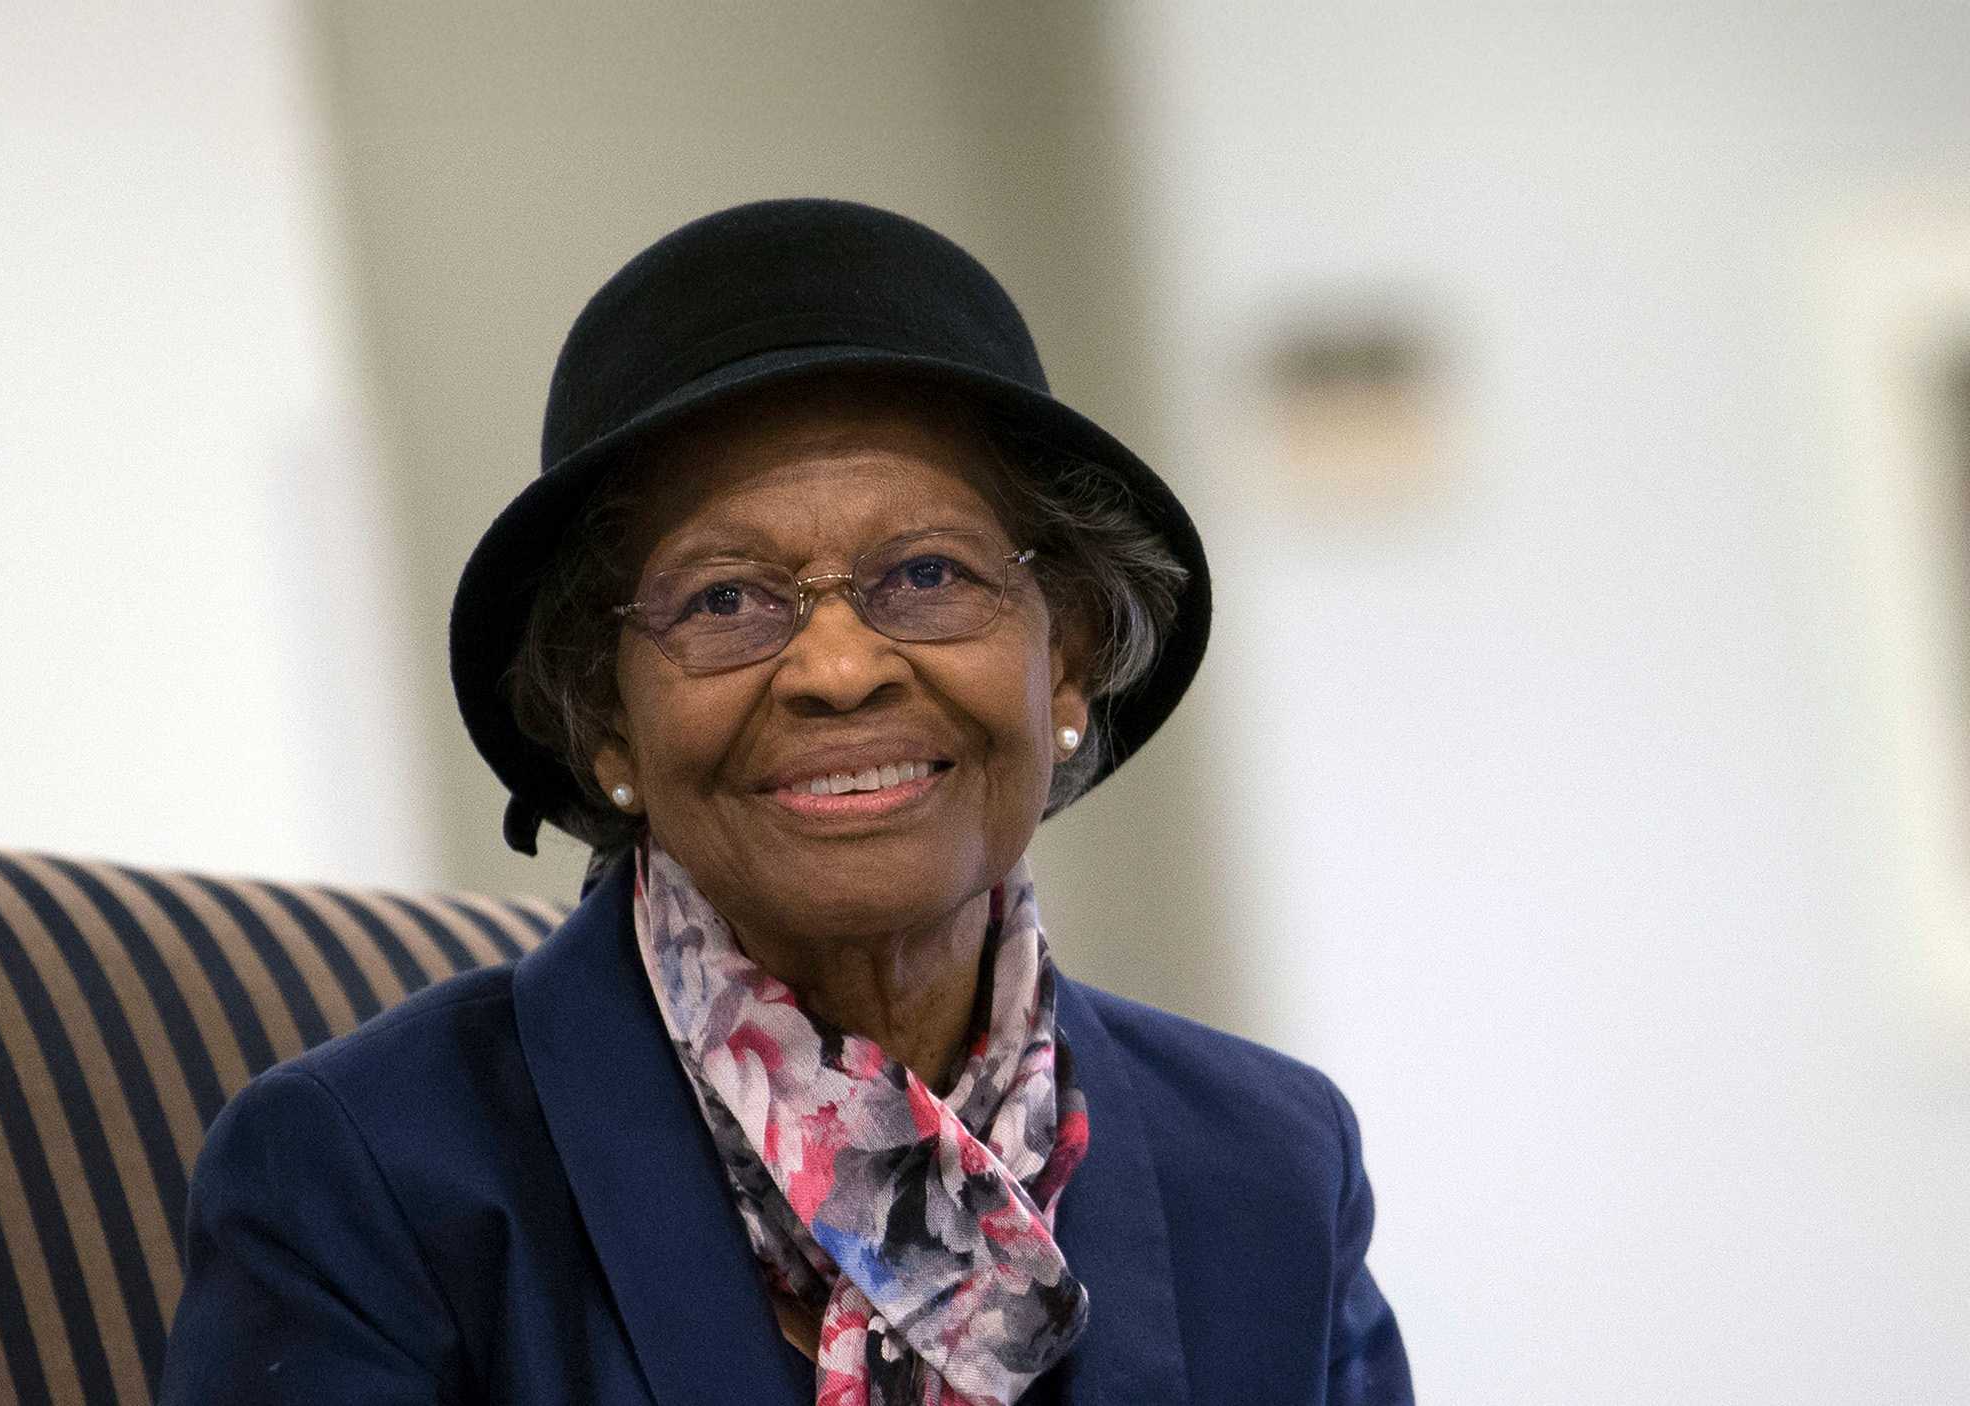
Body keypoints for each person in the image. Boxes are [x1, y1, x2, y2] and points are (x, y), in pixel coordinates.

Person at [159, 199, 1411, 1406]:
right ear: (606, 721)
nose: (838, 666)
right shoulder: (369, 1176)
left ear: (1066, 659)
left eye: (927, 573)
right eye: (725, 600)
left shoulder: (1270, 1166)